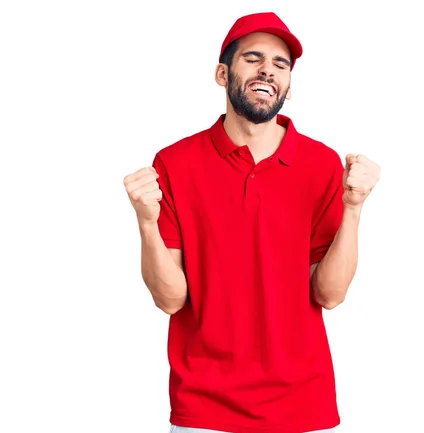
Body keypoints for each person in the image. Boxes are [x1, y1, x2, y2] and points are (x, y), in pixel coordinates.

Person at [123, 11, 380, 433]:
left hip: (303, 405)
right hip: (204, 409)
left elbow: (330, 295)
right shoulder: (174, 164)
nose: (268, 70)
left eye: (281, 64)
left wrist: (354, 208)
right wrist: (147, 223)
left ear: (289, 86)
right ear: (223, 74)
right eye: (253, 58)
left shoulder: (321, 165)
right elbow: (170, 300)